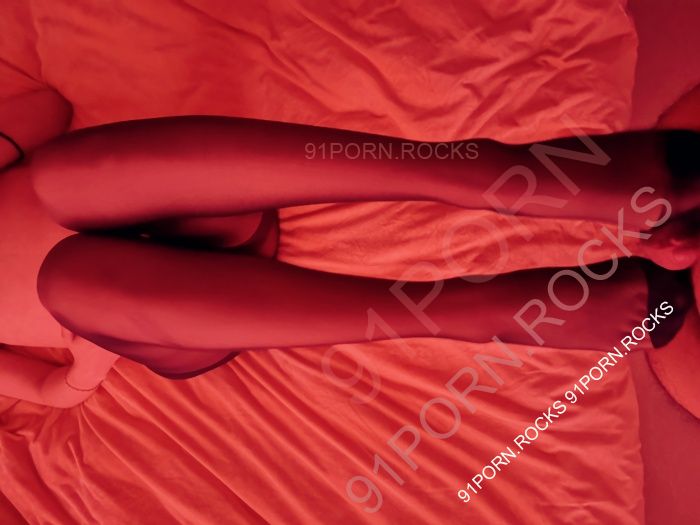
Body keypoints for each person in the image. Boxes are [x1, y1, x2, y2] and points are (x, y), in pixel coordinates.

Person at [1, 94, 698, 404]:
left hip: (192, 208)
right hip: (161, 309)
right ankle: (483, 308)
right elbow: (49, 394)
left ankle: (497, 172)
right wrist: (86, 360)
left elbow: (43, 106)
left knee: (57, 173)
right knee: (66, 281)